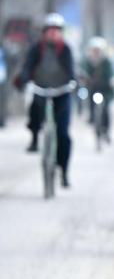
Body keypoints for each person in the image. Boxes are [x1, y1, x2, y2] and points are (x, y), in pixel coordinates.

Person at [14, 13, 76, 187]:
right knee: (34, 110)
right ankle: (34, 138)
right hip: (41, 88)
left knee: (63, 134)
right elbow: (27, 67)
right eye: (50, 30)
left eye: (57, 31)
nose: (53, 34)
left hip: (62, 92)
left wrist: (74, 83)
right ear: (44, 32)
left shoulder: (66, 49)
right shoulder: (36, 49)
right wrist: (24, 81)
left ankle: (63, 171)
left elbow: (72, 71)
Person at [79, 36, 114, 139]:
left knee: (106, 109)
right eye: (94, 50)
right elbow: (83, 72)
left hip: (105, 89)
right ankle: (92, 118)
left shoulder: (106, 62)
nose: (96, 52)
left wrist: (112, 81)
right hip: (92, 88)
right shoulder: (87, 61)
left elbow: (111, 73)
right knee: (90, 102)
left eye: (98, 50)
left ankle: (106, 130)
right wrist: (83, 78)